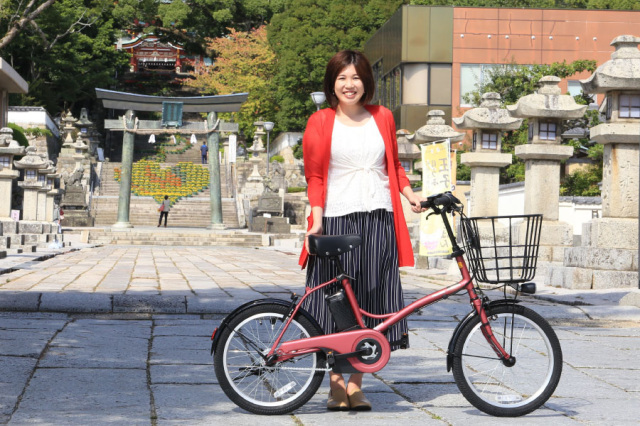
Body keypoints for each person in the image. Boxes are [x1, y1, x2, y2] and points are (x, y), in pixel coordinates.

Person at [299, 50, 427, 412]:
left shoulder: (382, 117)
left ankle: (357, 383)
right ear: (332, 83)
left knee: (370, 300)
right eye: (342, 78)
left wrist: (410, 194)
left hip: (378, 217)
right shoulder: (320, 121)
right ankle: (334, 384)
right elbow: (315, 176)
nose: (349, 84)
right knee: (333, 301)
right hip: (337, 218)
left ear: (366, 81)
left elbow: (393, 167)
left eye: (355, 77)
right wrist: (317, 219)